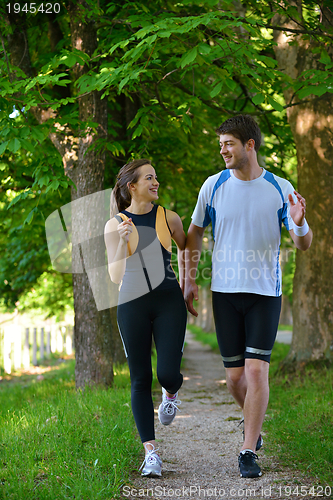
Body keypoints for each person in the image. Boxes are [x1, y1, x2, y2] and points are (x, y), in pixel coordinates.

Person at [185, 115, 312, 478]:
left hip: (264, 294)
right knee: (235, 380)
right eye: (221, 144)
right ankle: (254, 429)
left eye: (229, 143)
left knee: (256, 372)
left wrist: (299, 221)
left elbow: (303, 244)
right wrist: (189, 280)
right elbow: (194, 234)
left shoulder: (279, 187)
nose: (223, 150)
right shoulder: (213, 186)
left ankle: (247, 450)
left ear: (250, 145)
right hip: (224, 293)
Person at [104, 159, 187, 477]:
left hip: (168, 302)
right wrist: (123, 243)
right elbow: (114, 277)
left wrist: (188, 280)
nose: (156, 183)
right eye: (149, 178)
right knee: (139, 378)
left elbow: (187, 247)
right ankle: (151, 453)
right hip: (132, 305)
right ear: (132, 186)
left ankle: (171, 392)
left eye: (156, 177)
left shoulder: (169, 217)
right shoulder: (116, 224)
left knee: (167, 372)